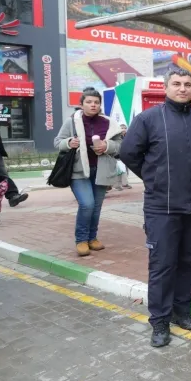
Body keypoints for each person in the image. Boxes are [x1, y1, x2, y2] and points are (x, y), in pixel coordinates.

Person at [120, 68, 191, 348]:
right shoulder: (148, 119)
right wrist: (153, 177)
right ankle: (159, 320)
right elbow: (129, 153)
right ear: (166, 88)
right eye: (176, 84)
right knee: (162, 264)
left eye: (187, 84)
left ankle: (181, 309)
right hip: (161, 207)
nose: (183, 88)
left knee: (189, 260)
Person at [54, 88, 124, 257]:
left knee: (97, 206)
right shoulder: (72, 121)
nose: (93, 105)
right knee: (87, 204)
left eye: (96, 102)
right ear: (81, 104)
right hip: (79, 171)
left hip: (101, 170)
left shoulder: (108, 123)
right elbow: (58, 142)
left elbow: (120, 146)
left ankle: (92, 238)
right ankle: (81, 240)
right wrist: (69, 142)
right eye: (89, 102)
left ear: (100, 105)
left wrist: (106, 146)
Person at [112, 123, 132, 190]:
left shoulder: (127, 136)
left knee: (125, 170)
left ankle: (124, 183)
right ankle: (117, 185)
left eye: (125, 128)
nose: (123, 129)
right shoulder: (117, 137)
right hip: (117, 156)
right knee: (119, 171)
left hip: (125, 156)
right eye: (122, 128)